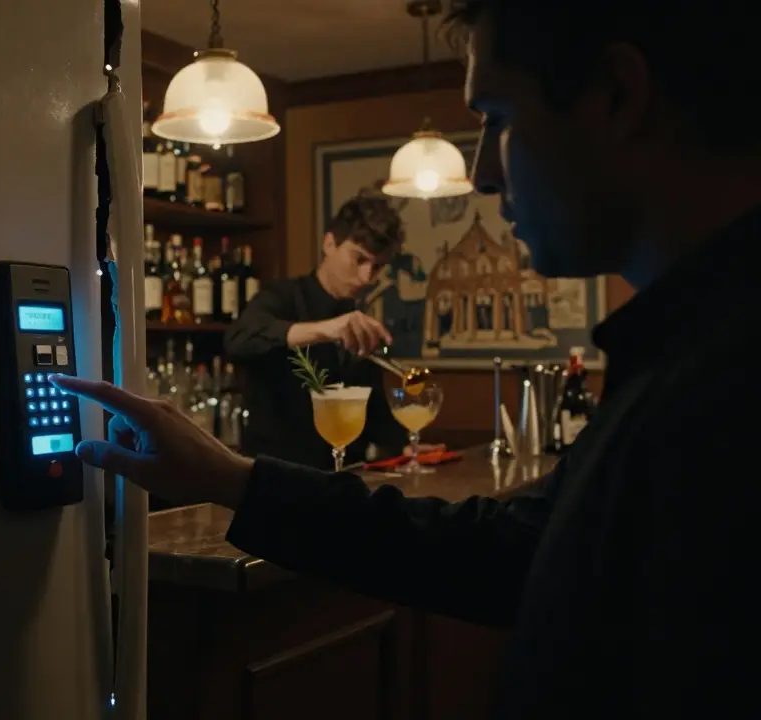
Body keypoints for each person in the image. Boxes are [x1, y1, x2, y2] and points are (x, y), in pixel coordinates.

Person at [53, 0, 761, 717]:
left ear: (616, 96)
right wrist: (231, 476)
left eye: (499, 118)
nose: (484, 173)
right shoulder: (681, 350)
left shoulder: (716, 378)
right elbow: (505, 549)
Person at [224, 193, 417, 468]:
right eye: (359, 259)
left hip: (345, 477)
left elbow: (372, 409)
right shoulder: (282, 296)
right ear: (329, 244)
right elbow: (239, 339)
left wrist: (405, 446)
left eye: (377, 267)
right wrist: (327, 330)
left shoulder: (360, 320)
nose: (366, 277)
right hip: (278, 476)